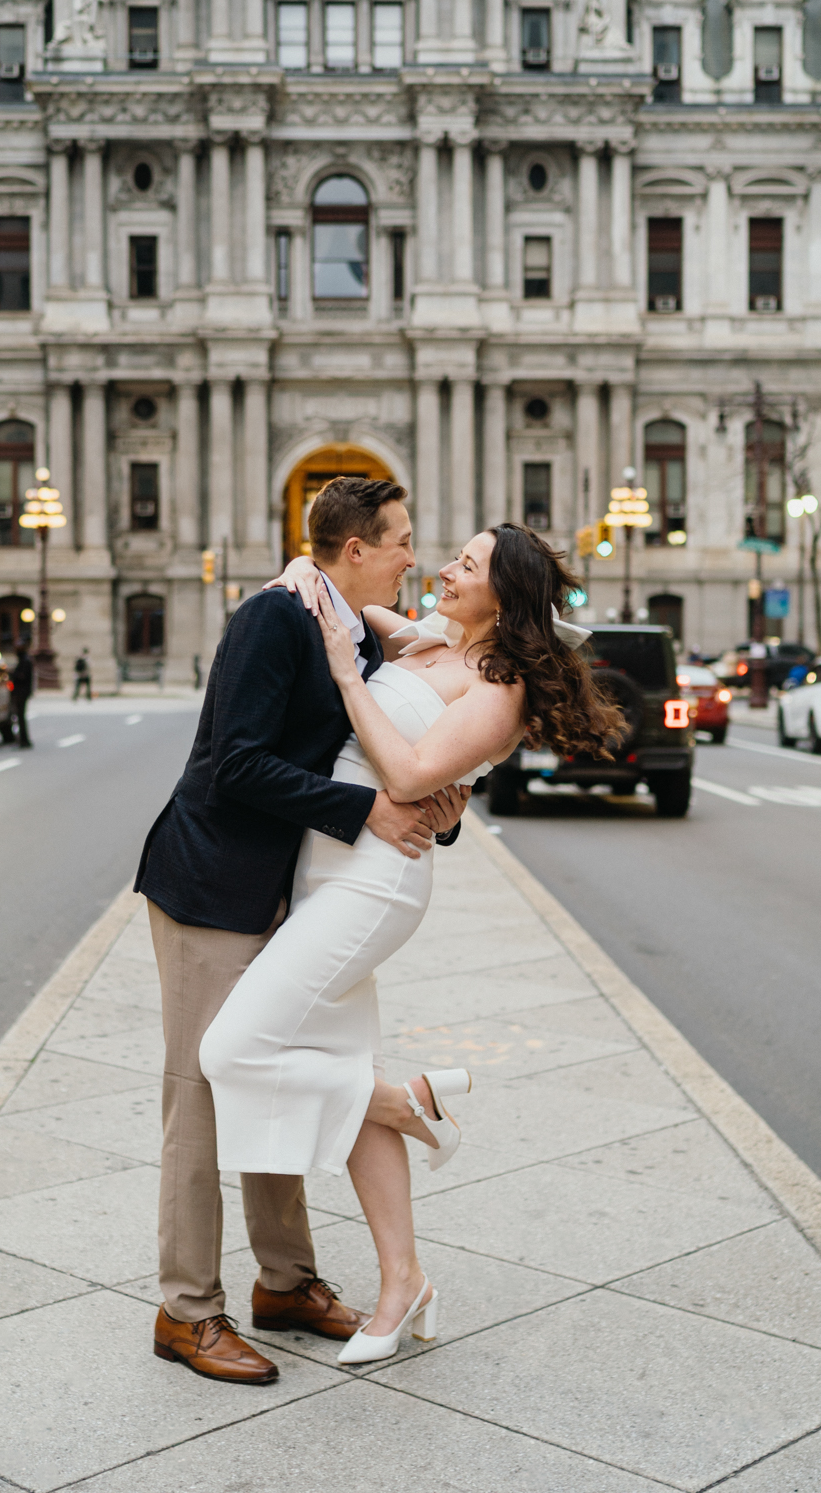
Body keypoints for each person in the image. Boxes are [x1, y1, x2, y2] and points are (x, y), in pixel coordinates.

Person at [200, 520, 621, 1364]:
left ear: (506, 594)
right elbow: (332, 593)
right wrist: (300, 569)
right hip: (324, 869)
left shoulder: (498, 686)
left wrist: (344, 675)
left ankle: (405, 1100)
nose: (444, 568)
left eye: (466, 564)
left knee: (229, 1050)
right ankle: (404, 1280)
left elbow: (408, 777)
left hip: (373, 881)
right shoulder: (427, 637)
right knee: (340, 1081)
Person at [136, 478, 470, 1385]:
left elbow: (386, 749)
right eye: (399, 539)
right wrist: (364, 813)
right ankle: (186, 1310)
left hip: (286, 890)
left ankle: (284, 1283)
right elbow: (233, 762)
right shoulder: (273, 619)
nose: (413, 554)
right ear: (354, 549)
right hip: (209, 885)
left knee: (269, 1074)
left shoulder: (355, 629)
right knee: (202, 1094)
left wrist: (436, 804)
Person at [11, 641, 34, 747]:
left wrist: (12, 675)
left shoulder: (25, 661)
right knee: (20, 717)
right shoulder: (25, 660)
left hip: (21, 693)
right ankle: (23, 739)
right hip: (22, 692)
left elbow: (22, 676)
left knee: (20, 717)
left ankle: (24, 740)